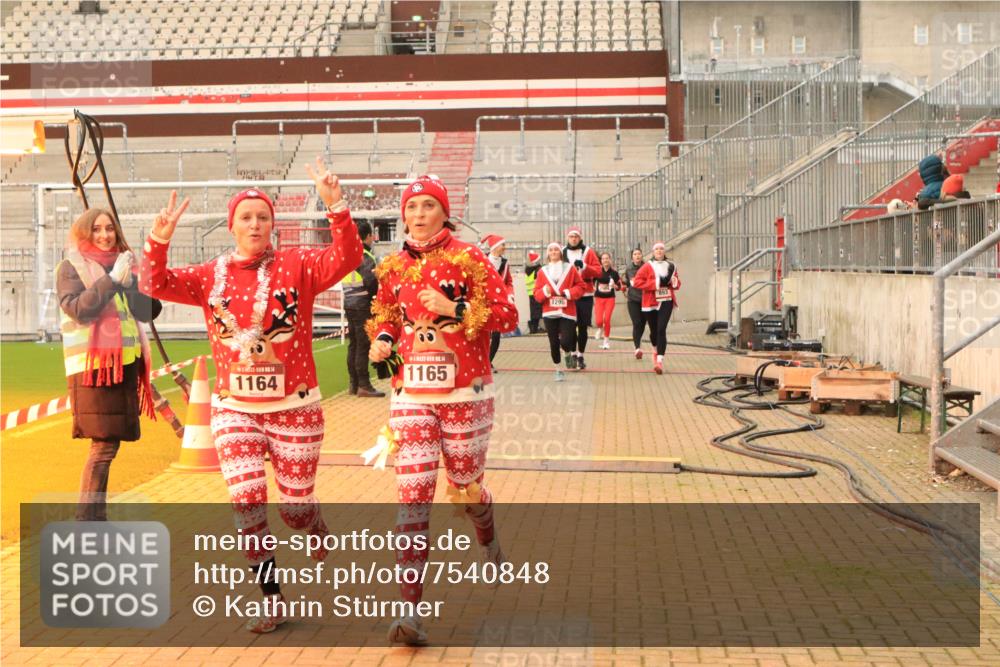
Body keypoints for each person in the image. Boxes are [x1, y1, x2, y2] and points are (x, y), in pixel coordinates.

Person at [140, 159, 363, 634]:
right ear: (232, 225)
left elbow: (346, 259)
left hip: (295, 409)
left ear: (273, 225)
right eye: (246, 217)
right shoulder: (209, 274)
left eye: (263, 217)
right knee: (246, 503)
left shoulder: (298, 265)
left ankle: (312, 521)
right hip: (234, 409)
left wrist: (335, 206)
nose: (255, 224)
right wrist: (158, 241)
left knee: (294, 508)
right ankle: (273, 598)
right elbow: (153, 285)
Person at [366, 175, 518, 646]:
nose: (418, 215)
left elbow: (508, 314)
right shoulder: (391, 266)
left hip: (465, 392)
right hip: (410, 394)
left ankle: (488, 536)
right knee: (412, 497)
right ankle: (409, 612)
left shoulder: (470, 257)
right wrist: (383, 340)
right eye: (412, 208)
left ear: (444, 212)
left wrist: (454, 307)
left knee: (466, 486)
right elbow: (387, 317)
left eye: (428, 206)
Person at [57, 208, 161, 523]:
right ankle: (87, 523)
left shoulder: (121, 265)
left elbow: (148, 312)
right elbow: (79, 310)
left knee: (108, 446)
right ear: (84, 233)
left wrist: (129, 283)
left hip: (122, 366)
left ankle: (94, 521)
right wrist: (112, 281)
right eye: (97, 229)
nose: (105, 235)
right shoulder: (71, 267)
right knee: (103, 446)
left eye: (109, 229)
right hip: (94, 369)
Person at [342, 220, 385, 397]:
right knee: (363, 345)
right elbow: (370, 282)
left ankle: (353, 384)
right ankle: (364, 384)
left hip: (349, 303)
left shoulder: (349, 254)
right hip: (362, 305)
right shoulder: (365, 256)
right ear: (368, 236)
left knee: (353, 345)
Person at [533, 242, 585, 381]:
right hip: (549, 312)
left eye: (556, 249)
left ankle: (567, 352)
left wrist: (568, 292)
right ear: (548, 254)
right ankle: (558, 369)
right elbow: (536, 294)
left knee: (567, 340)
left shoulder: (570, 269)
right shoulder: (542, 271)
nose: (554, 252)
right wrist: (544, 291)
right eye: (551, 250)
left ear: (561, 253)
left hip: (567, 310)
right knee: (553, 342)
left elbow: (581, 286)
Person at [630, 242, 681, 374]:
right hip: (650, 302)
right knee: (653, 332)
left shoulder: (671, 265)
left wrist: (675, 283)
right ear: (653, 252)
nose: (659, 251)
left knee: (661, 329)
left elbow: (676, 282)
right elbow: (637, 282)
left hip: (666, 300)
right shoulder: (647, 266)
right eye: (657, 249)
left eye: (661, 249)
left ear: (664, 251)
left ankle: (659, 360)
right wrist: (656, 284)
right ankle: (655, 350)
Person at [561, 226, 601, 370]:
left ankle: (580, 355)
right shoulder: (562, 252)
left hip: (585, 295)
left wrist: (584, 266)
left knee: (582, 327)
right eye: (571, 236)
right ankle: (572, 354)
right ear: (567, 237)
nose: (574, 239)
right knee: (570, 327)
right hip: (569, 295)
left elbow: (598, 270)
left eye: (576, 236)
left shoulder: (588, 252)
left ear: (580, 237)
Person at [482, 234, 514, 372]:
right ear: (495, 246)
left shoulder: (505, 263)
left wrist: (510, 295)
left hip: (498, 304)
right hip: (483, 302)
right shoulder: (482, 260)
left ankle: (488, 362)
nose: (504, 248)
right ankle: (482, 362)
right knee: (484, 335)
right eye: (502, 245)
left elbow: (508, 282)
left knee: (496, 335)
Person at [623, 247, 654, 359]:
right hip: (633, 300)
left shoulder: (648, 266)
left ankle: (638, 342)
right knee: (636, 323)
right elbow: (633, 283)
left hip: (645, 300)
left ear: (642, 256)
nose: (637, 256)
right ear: (632, 257)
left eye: (639, 254)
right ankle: (637, 348)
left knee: (642, 324)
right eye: (635, 254)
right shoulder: (630, 268)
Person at [592, 252, 623, 350]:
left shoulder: (614, 273)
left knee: (607, 319)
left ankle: (606, 341)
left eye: (607, 258)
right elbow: (592, 282)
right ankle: (600, 328)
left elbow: (619, 287)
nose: (605, 260)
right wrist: (593, 288)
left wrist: (615, 286)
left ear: (610, 260)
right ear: (601, 261)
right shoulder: (597, 271)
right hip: (599, 298)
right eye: (603, 259)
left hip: (610, 298)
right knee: (599, 321)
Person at [524, 250, 543, 334]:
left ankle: (533, 328)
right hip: (536, 292)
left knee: (533, 311)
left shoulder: (528, 269)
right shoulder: (538, 270)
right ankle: (534, 329)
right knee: (537, 311)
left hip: (530, 293)